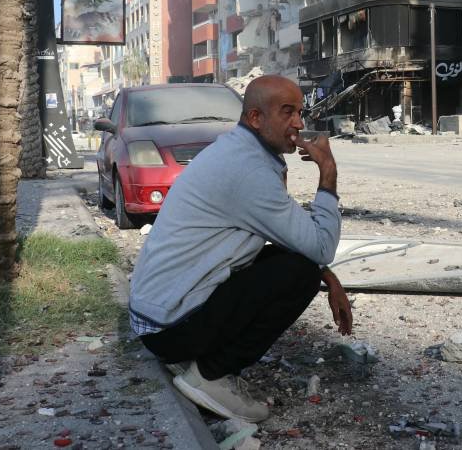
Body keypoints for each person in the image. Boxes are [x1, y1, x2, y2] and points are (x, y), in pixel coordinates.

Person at [128, 75, 352, 423]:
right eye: (287, 112)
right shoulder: (249, 170)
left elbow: (290, 238)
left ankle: (198, 359)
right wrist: (328, 172)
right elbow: (320, 246)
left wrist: (330, 276)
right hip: (168, 329)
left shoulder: (240, 151)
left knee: (298, 263)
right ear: (256, 119)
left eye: (300, 112)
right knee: (300, 274)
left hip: (158, 315)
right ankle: (211, 374)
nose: (299, 123)